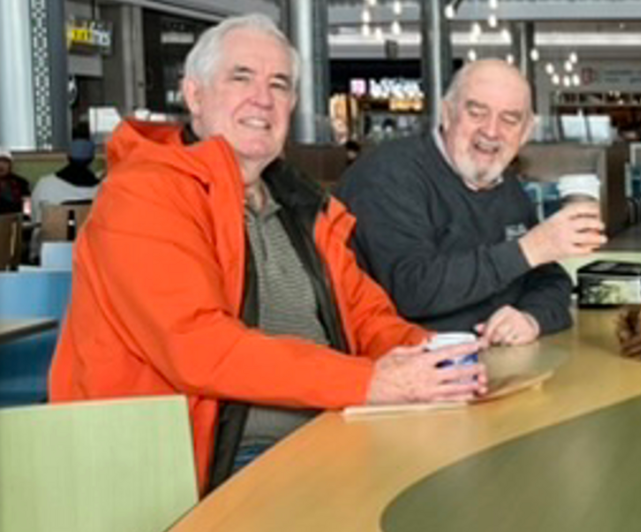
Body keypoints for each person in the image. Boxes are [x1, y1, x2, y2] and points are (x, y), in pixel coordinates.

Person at [49, 13, 486, 495]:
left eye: (279, 84)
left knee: (475, 477)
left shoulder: (300, 204)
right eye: (242, 77)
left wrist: (440, 359)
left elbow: (368, 317)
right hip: (201, 467)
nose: (263, 97)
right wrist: (368, 383)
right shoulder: (144, 194)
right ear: (194, 95)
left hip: (329, 433)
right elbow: (198, 347)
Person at [337, 60, 606, 345]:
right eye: (477, 112)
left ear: (526, 133)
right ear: (447, 114)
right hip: (399, 371)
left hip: (492, 366)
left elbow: (551, 282)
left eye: (510, 119)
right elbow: (411, 290)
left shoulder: (506, 185)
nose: (491, 131)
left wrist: (530, 318)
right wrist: (529, 249)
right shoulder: (388, 174)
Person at [29, 139, 101, 260]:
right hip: (93, 256)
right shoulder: (104, 189)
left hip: (49, 255)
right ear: (92, 159)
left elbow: (35, 219)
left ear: (68, 156)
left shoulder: (45, 184)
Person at [0, 148, 31, 215]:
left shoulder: (21, 182)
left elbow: (27, 208)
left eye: (5, 162)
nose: (1, 165)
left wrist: (26, 220)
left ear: (10, 165)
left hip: (15, 221)